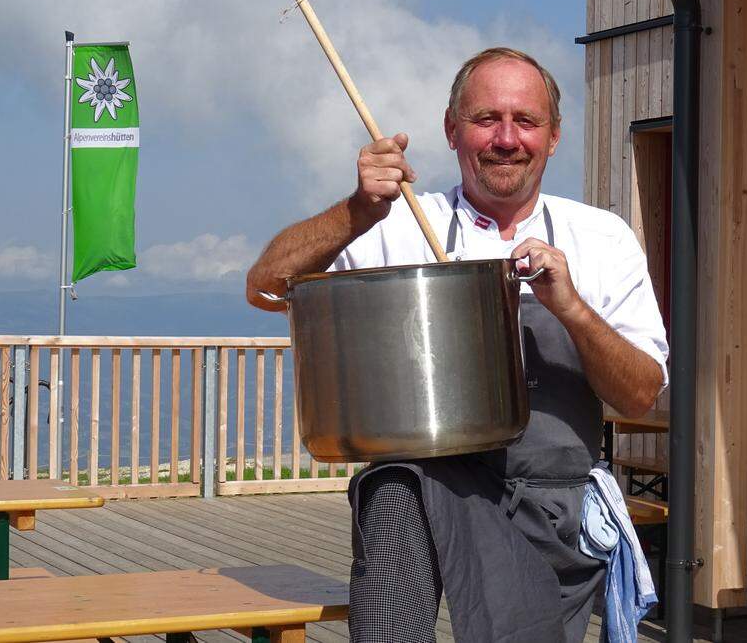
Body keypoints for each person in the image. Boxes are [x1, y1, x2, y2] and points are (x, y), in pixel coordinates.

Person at [246, 47, 669, 643]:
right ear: (452, 130)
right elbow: (264, 287)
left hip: (552, 501)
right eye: (485, 119)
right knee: (394, 492)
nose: (506, 138)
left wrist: (572, 308)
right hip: (423, 486)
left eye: (526, 121)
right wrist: (356, 210)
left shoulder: (602, 239)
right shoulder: (392, 225)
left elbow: (641, 395)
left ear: (553, 137)